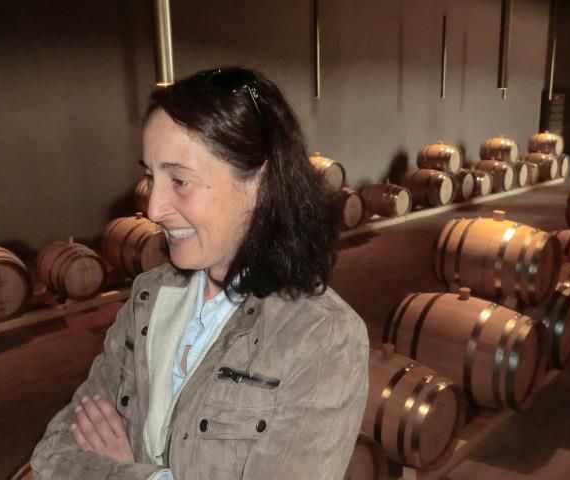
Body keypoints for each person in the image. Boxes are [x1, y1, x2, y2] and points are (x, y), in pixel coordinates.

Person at [31, 67, 369, 480]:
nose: (154, 209)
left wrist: (133, 472)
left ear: (259, 183)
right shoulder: (149, 296)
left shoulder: (322, 337)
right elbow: (52, 454)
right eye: (150, 177)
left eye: (180, 180)